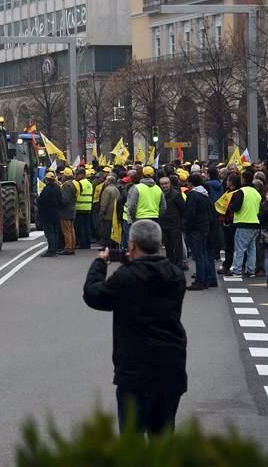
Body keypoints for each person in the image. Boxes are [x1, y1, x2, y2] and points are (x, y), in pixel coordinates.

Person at [83, 220, 187, 435]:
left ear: (131, 245)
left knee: (132, 441)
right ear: (159, 244)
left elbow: (94, 295)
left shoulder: (127, 276)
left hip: (135, 368)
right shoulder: (176, 275)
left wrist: (100, 263)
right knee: (163, 437)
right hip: (171, 365)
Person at [184, 173, 217, 290]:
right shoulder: (205, 194)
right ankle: (208, 278)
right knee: (204, 254)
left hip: (196, 229)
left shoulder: (193, 195)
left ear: (191, 183)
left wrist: (187, 228)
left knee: (198, 256)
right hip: (205, 227)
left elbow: (190, 214)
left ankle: (200, 281)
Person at [226, 173, 261, 277]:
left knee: (240, 248)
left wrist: (230, 206)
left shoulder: (241, 191)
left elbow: (237, 207)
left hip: (244, 222)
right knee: (252, 249)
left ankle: (237, 269)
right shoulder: (256, 192)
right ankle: (251, 270)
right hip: (255, 222)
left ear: (243, 179)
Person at [159, 176, 185, 267]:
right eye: (162, 184)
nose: (164, 186)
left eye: (166, 183)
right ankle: (170, 263)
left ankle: (179, 264)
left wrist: (180, 222)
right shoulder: (160, 194)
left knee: (177, 246)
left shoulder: (176, 194)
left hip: (175, 224)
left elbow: (183, 208)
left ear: (170, 184)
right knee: (168, 246)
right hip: (164, 224)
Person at [36, 171, 62, 257]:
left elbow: (41, 201)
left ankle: (51, 250)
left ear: (47, 180)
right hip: (56, 213)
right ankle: (54, 249)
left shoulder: (46, 190)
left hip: (48, 215)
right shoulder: (57, 189)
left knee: (49, 233)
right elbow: (60, 200)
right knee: (55, 233)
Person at [58, 168, 78, 256]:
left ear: (65, 176)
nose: (61, 176)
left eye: (62, 174)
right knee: (71, 229)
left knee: (66, 230)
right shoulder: (72, 184)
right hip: (71, 209)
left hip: (66, 211)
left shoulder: (67, 185)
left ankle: (68, 248)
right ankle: (71, 246)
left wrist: (58, 201)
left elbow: (65, 199)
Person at [74, 167, 94, 250]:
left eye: (77, 174)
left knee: (80, 227)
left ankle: (82, 244)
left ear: (82, 174)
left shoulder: (80, 183)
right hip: (88, 207)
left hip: (80, 207)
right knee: (87, 227)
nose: (76, 176)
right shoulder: (89, 183)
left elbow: (76, 195)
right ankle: (87, 243)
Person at [98, 174, 121, 246]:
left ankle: (106, 245)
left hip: (107, 214)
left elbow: (104, 203)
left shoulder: (107, 190)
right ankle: (112, 244)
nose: (105, 181)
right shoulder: (116, 189)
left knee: (106, 231)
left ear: (108, 181)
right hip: (114, 213)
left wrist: (101, 212)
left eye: (106, 180)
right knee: (112, 230)